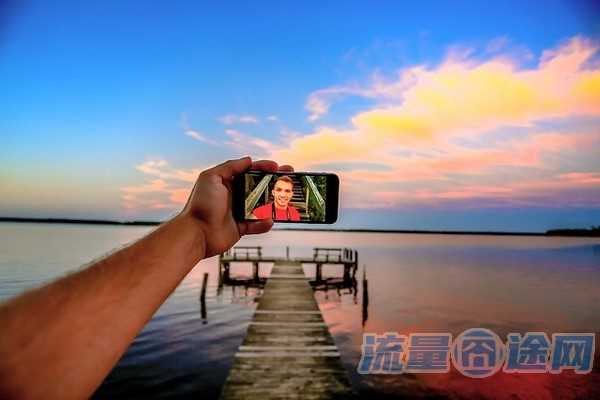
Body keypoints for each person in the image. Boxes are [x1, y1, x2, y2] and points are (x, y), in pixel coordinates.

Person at [0, 157, 293, 400]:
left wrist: (198, 229)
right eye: (277, 190)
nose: (282, 195)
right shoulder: (260, 206)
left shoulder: (288, 210)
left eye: (287, 192)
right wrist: (198, 228)